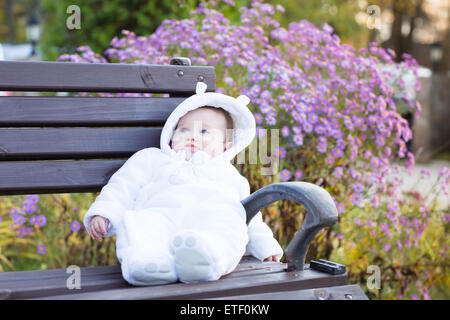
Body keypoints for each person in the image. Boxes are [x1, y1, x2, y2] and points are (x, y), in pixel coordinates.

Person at [83, 82, 283, 286]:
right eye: (183, 130)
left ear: (226, 145)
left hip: (209, 222)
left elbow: (251, 216)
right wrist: (105, 213)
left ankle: (206, 258)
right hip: (160, 217)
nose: (192, 136)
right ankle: (148, 263)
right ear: (171, 135)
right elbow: (122, 187)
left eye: (204, 132)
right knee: (140, 224)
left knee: (228, 224)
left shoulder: (230, 176)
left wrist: (265, 247)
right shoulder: (152, 159)